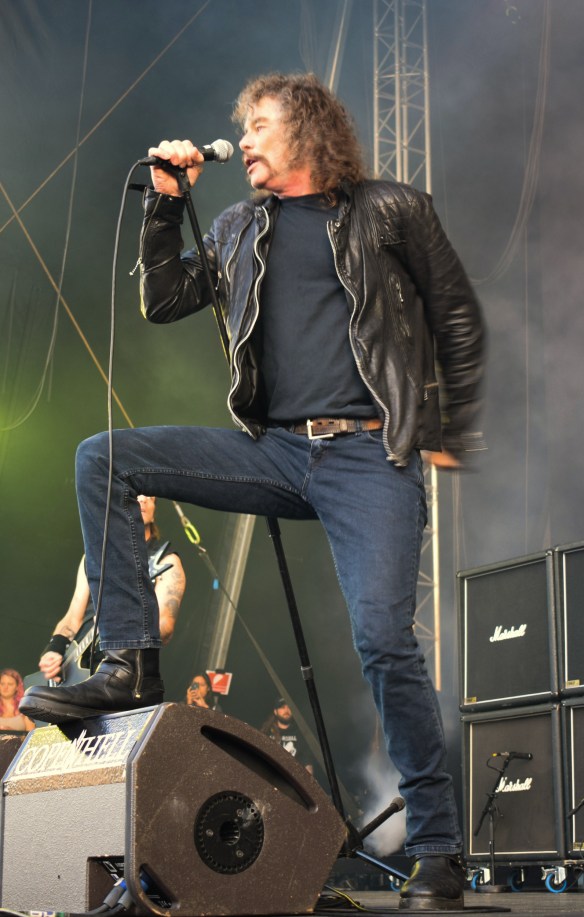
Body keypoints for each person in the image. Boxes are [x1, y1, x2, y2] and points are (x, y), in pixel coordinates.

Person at [21, 72, 485, 910]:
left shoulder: (391, 210)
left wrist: (451, 425)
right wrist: (165, 206)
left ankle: (437, 846)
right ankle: (129, 661)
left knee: (385, 640)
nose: (244, 140)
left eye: (259, 124)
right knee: (105, 457)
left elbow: (454, 313)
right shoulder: (240, 225)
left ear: (306, 128)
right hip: (274, 451)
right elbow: (164, 299)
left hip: (369, 453)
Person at [38, 494, 186, 685]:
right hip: (74, 670)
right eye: (135, 494)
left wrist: (122, 625)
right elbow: (73, 617)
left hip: (119, 673)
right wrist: (54, 648)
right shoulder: (94, 555)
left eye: (150, 497)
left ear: (153, 511)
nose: (143, 500)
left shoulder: (166, 562)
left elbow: (164, 627)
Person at [260, 697, 313, 773]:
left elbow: (307, 762)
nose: (286, 710)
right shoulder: (266, 732)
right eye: (282, 707)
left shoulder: (300, 733)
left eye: (289, 707)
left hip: (292, 776)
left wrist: (308, 778)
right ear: (275, 711)